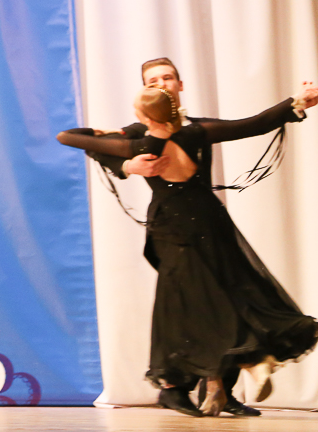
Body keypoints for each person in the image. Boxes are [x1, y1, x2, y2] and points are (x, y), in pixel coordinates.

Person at [60, 85, 318, 417]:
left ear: (145, 117)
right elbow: (253, 124)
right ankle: (238, 366)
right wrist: (296, 102)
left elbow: (68, 137)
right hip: (211, 220)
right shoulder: (195, 133)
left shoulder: (140, 146)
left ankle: (235, 365)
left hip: (175, 230)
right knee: (228, 291)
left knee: (191, 304)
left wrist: (108, 141)